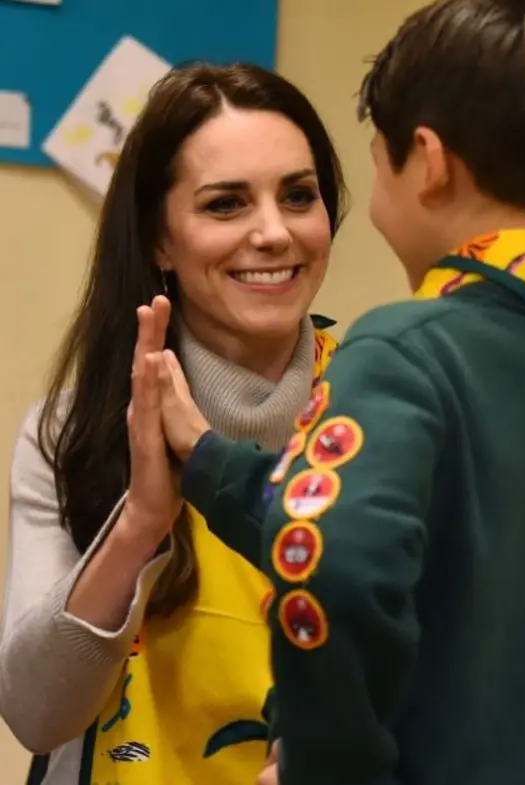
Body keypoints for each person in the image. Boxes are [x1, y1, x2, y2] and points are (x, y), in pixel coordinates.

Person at [139, 1, 525, 784]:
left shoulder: (401, 350)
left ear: (428, 161)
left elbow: (329, 560)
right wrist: (205, 457)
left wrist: (321, 761)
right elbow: (383, 527)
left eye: (376, 159)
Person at [0, 62, 346, 785]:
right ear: (161, 239)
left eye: (299, 195)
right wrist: (139, 524)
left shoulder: (381, 409)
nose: (275, 232)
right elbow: (34, 714)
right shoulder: (71, 431)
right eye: (226, 204)